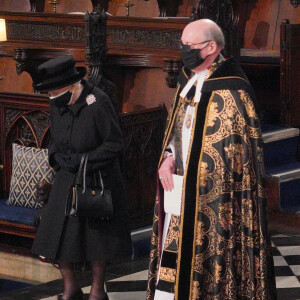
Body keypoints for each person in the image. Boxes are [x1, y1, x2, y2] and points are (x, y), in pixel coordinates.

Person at [147, 19, 277, 300]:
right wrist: (168, 156)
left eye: (189, 46)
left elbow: (238, 158)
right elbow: (177, 130)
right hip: (181, 195)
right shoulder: (187, 79)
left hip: (216, 202)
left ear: (212, 47)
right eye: (182, 45)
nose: (183, 51)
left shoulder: (233, 89)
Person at [31, 55, 132, 300]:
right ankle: (71, 288)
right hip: (67, 177)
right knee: (56, 237)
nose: (51, 96)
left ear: (70, 85)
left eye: (54, 90)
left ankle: (98, 291)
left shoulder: (98, 103)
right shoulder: (58, 104)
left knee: (96, 241)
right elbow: (55, 139)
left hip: (97, 179)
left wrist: (84, 160)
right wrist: (56, 157)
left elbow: (115, 144)